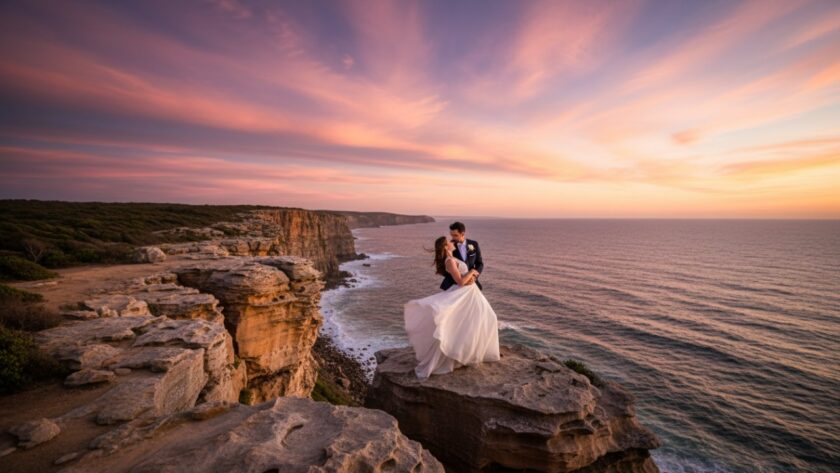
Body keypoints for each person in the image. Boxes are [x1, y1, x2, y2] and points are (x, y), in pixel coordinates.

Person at [403, 235, 500, 379]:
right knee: (481, 320)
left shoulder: (452, 258)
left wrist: (470, 277)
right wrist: (473, 272)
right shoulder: (449, 261)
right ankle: (461, 354)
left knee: (480, 320)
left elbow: (462, 278)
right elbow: (460, 281)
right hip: (464, 293)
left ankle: (472, 352)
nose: (451, 242)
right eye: (448, 242)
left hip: (471, 293)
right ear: (445, 247)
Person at [441, 221, 484, 291]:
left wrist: (474, 277)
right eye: (451, 235)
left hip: (472, 282)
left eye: (455, 235)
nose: (452, 238)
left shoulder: (474, 244)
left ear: (462, 234)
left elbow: (480, 263)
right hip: (454, 285)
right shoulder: (449, 247)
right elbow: (446, 268)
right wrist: (461, 280)